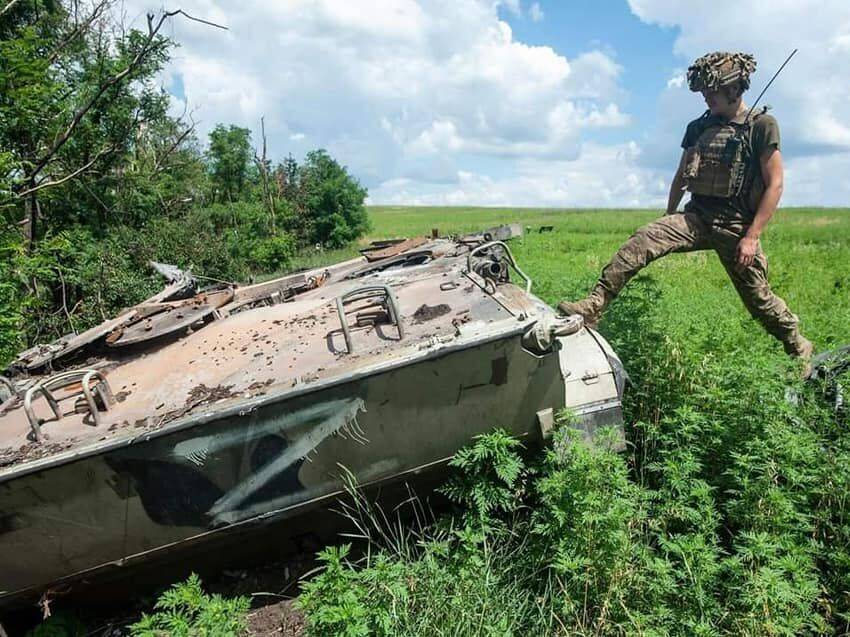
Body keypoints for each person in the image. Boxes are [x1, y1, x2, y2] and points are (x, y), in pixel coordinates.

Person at [558, 51, 813, 367]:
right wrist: (667, 218)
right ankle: (594, 305)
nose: (706, 98)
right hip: (697, 217)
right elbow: (681, 176)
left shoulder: (761, 126)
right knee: (643, 239)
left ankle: (798, 347)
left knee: (759, 301)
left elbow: (774, 184)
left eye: (712, 92)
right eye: (703, 92)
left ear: (734, 89)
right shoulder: (697, 128)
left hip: (736, 226)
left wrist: (752, 236)